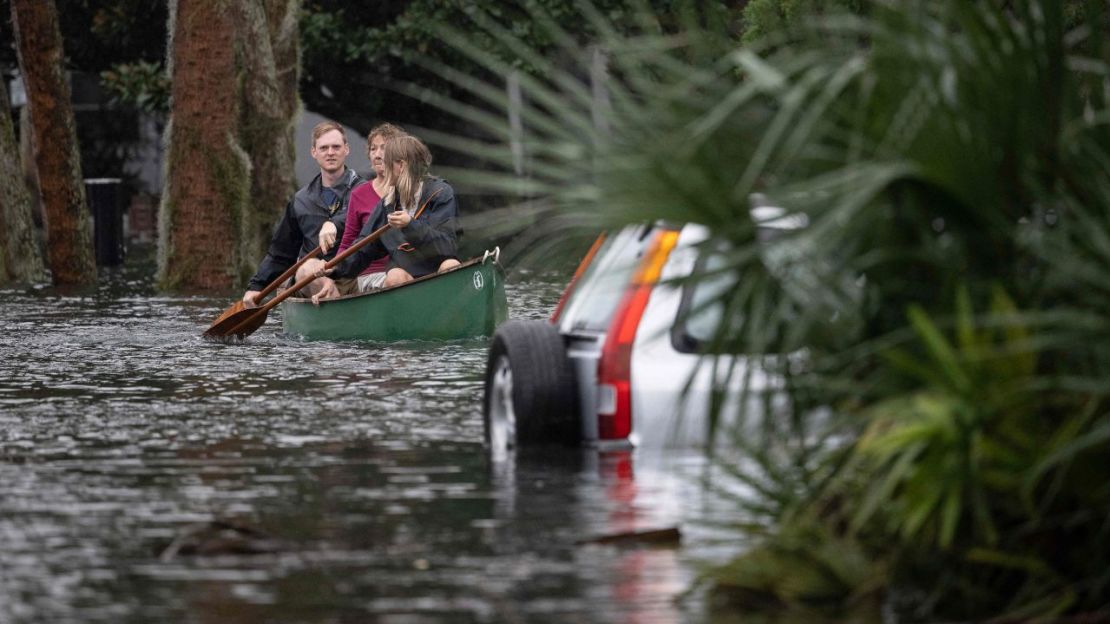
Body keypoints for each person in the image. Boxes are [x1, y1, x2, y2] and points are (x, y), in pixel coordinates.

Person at [312, 134, 461, 303]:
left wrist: (410, 224)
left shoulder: (441, 193)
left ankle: (447, 319)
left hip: (436, 269)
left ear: (402, 166)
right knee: (394, 275)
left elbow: (448, 247)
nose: (383, 169)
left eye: (387, 163)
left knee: (451, 266)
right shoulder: (388, 204)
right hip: (405, 274)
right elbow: (364, 247)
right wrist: (334, 268)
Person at [241, 120, 364, 307]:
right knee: (306, 268)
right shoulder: (300, 200)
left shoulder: (364, 190)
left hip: (351, 276)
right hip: (310, 280)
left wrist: (335, 223)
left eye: (336, 147)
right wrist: (256, 286)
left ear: (346, 149)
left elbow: (367, 216)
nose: (330, 152)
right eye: (324, 148)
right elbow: (280, 253)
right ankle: (336, 307)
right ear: (314, 152)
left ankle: (338, 307)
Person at [331, 122, 406, 295]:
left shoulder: (413, 191)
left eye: (384, 148)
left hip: (409, 270)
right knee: (397, 277)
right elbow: (348, 242)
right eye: (373, 149)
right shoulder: (359, 194)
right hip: (371, 275)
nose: (378, 155)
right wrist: (333, 271)